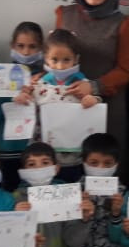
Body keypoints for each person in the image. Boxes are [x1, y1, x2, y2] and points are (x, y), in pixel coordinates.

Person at [56, 0, 129, 149]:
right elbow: (54, 55)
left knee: (102, 160)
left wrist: (93, 86)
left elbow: (126, 70)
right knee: (67, 158)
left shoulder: (124, 23)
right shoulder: (63, 15)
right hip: (67, 103)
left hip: (107, 106)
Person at [66, 133, 126, 247]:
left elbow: (122, 238)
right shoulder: (73, 192)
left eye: (107, 164)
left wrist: (116, 214)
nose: (100, 168)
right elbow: (68, 239)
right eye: (94, 162)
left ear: (116, 164)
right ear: (83, 162)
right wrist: (83, 218)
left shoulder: (123, 194)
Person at [0, 21, 45, 191]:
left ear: (41, 48)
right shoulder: (1, 77)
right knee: (10, 195)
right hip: (8, 151)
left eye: (32, 46)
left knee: (38, 195)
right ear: (12, 46)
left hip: (39, 154)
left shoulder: (47, 78)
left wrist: (37, 93)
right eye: (20, 46)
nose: (26, 52)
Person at [31, 29, 103, 182]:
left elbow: (96, 108)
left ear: (76, 59)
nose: (60, 66)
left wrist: (92, 100)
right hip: (46, 157)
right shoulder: (39, 85)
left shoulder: (82, 85)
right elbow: (30, 112)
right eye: (54, 59)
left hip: (75, 155)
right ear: (46, 58)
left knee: (73, 186)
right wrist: (24, 96)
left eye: (66, 60)